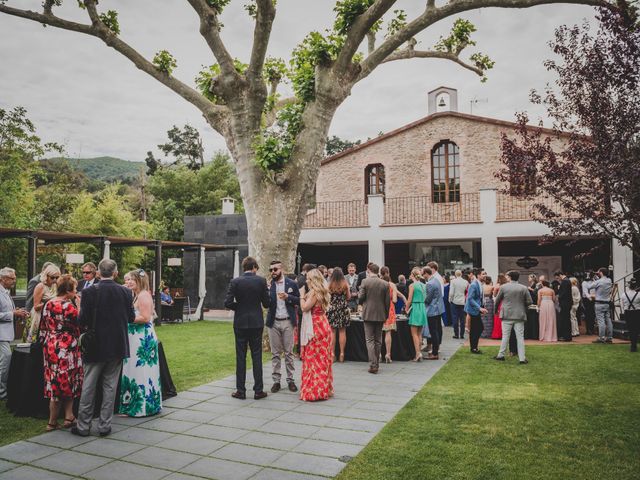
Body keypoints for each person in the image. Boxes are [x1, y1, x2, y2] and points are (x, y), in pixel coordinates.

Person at [72, 259, 135, 437]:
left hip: (95, 344)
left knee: (89, 386)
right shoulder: (125, 292)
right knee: (110, 387)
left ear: (98, 273)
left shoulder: (89, 291)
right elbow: (130, 317)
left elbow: (82, 321)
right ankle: (104, 426)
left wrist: (79, 307)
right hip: (117, 344)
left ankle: (83, 426)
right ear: (115, 273)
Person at [39, 274, 83, 431]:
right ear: (69, 290)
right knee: (67, 381)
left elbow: (43, 326)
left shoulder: (49, 304)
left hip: (51, 344)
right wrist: (79, 305)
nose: (76, 291)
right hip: (67, 347)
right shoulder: (69, 307)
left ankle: (68, 417)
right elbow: (81, 324)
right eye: (75, 289)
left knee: (56, 382)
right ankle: (52, 422)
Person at [224, 256, 270, 400]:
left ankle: (240, 391)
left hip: (240, 322)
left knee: (240, 356)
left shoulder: (235, 281)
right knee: (257, 356)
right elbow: (267, 303)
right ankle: (258, 390)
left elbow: (227, 302)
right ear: (254, 267)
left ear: (244, 267)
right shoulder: (261, 281)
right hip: (256, 322)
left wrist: (240, 307)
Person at [118, 270, 162, 417]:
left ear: (139, 281)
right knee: (134, 370)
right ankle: (136, 406)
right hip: (136, 337)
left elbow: (145, 318)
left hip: (142, 339)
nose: (128, 282)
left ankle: (142, 407)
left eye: (132, 280)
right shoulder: (137, 294)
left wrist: (125, 317)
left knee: (141, 371)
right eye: (127, 279)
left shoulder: (143, 295)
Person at [265, 260, 300, 393]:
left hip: (287, 321)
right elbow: (266, 304)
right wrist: (267, 291)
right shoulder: (269, 285)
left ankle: (290, 380)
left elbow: (299, 300)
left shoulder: (291, 284)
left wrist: (288, 297)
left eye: (275, 269)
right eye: (271, 270)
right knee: (275, 354)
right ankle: (276, 381)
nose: (273, 272)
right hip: (273, 322)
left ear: (282, 269)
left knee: (289, 353)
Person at [299, 269, 333, 401]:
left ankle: (314, 390)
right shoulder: (323, 291)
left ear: (313, 280)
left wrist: (302, 295)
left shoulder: (314, 292)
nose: (306, 280)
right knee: (323, 358)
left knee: (313, 359)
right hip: (323, 324)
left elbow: (304, 308)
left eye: (308, 278)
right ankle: (324, 388)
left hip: (315, 327)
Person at [0, 268, 29, 400]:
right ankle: (2, 392)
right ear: (3, 279)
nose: (15, 280)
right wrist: (13, 313)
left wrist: (17, 311)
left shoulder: (5, 292)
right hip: (1, 335)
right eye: (12, 278)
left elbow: (6, 310)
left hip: (5, 334)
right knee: (6, 359)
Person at [493, 271, 531, 364]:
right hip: (519, 314)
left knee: (505, 336)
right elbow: (529, 301)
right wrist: (522, 306)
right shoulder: (523, 288)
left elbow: (497, 300)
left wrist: (495, 311)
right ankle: (522, 358)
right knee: (520, 337)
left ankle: (501, 355)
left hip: (506, 314)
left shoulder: (503, 287)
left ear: (509, 277)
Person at [358, 263, 390, 373]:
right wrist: (386, 314)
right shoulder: (385, 284)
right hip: (381, 314)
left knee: (369, 340)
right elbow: (387, 302)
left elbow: (360, 297)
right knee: (378, 340)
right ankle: (376, 363)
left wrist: (360, 298)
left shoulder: (365, 282)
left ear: (369, 270)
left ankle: (373, 364)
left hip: (368, 313)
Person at [25, 264, 60, 343]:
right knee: (37, 341)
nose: (55, 280)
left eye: (57, 277)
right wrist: (51, 302)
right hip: (39, 316)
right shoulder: (40, 286)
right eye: (52, 277)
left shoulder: (55, 285)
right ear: (46, 276)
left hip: (50, 316)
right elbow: (36, 306)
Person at [326, 267, 351, 363]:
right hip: (343, 309)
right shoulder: (345, 284)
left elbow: (327, 298)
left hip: (332, 309)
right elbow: (348, 297)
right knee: (342, 331)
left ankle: (332, 354)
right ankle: (342, 353)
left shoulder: (329, 284)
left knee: (332, 332)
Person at [380, 266, 403, 363]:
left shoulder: (379, 284)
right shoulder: (392, 285)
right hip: (390, 310)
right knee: (388, 332)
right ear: (389, 273)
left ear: (380, 274)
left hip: (379, 309)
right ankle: (388, 354)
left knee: (378, 333)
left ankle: (379, 354)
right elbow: (394, 300)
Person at [406, 267, 427, 362]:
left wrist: (406, 309)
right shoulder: (424, 285)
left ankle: (417, 353)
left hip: (415, 307)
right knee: (419, 333)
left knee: (414, 333)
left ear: (412, 275)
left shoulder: (412, 285)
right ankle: (419, 352)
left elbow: (409, 299)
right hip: (422, 307)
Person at [464, 269, 487, 354]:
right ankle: (473, 348)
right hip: (473, 310)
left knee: (476, 329)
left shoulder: (479, 284)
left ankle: (474, 347)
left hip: (476, 309)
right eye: (483, 274)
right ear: (478, 275)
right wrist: (479, 308)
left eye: (485, 274)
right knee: (478, 328)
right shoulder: (474, 285)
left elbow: (479, 297)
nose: (485, 275)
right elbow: (470, 298)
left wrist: (482, 307)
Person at [423, 266, 444, 360]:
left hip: (432, 309)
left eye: (423, 274)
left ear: (427, 274)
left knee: (433, 331)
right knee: (437, 330)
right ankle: (436, 349)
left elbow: (428, 299)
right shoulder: (436, 280)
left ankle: (435, 353)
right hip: (438, 309)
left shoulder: (430, 283)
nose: (423, 276)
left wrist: (422, 301)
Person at [590, 267, 613, 344]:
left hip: (599, 303)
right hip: (607, 303)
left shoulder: (599, 281)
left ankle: (601, 338)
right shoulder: (609, 280)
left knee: (601, 321)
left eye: (599, 272)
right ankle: (609, 338)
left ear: (601, 273)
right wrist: (597, 276)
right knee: (608, 320)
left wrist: (594, 278)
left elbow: (590, 286)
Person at [449, 270, 468, 339]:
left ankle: (456, 334)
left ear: (455, 274)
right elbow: (466, 291)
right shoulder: (465, 282)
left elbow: (451, 293)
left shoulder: (453, 281)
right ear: (461, 274)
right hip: (462, 301)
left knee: (455, 318)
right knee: (462, 319)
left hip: (454, 301)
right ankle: (462, 334)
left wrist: (450, 299)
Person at [555, 271, 574, 342]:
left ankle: (566, 336)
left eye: (557, 277)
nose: (558, 279)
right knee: (566, 319)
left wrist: (559, 297)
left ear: (560, 275)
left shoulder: (565, 281)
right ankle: (567, 336)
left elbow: (563, 293)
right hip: (567, 303)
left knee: (565, 320)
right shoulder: (567, 281)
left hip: (565, 303)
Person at [622, 278, 640, 352]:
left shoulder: (624, 294)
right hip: (636, 312)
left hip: (628, 312)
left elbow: (623, 305)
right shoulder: (639, 294)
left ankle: (633, 345)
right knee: (636, 329)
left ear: (629, 286)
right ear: (635, 286)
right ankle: (634, 345)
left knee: (630, 329)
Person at [491, 273, 508, 340]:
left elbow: (494, 295)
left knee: (497, 318)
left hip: (499, 303)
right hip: (505, 302)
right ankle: (504, 334)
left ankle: (497, 334)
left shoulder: (497, 286)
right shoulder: (506, 285)